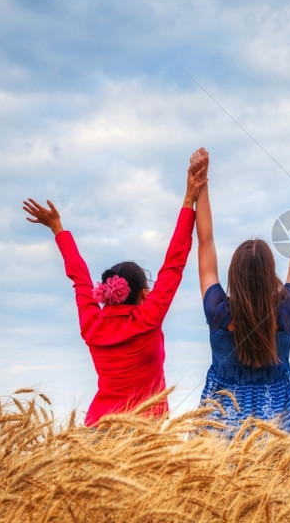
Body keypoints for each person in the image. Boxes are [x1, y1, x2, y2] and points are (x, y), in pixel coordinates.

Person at [23, 154, 207, 427]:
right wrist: (189, 199)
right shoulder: (149, 318)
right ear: (143, 294)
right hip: (145, 436)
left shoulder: (92, 325)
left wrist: (57, 228)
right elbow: (174, 264)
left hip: (98, 432)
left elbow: (79, 277)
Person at [195, 148, 290, 434]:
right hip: (276, 431)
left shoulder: (218, 311)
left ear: (233, 275)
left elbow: (205, 241)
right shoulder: (286, 309)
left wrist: (201, 182)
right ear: (271, 275)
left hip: (217, 429)